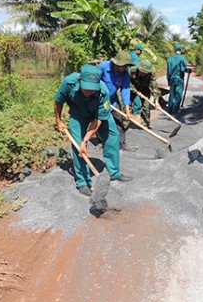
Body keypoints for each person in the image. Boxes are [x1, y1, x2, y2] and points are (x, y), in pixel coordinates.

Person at [54, 64, 133, 197]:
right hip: (78, 115)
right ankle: (83, 182)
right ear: (80, 81)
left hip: (98, 115)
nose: (89, 92)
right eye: (87, 89)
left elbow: (98, 120)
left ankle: (114, 172)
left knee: (113, 137)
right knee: (78, 146)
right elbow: (58, 101)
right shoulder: (69, 82)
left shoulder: (103, 92)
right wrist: (58, 121)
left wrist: (87, 139)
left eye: (92, 89)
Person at [99, 51, 138, 151]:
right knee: (101, 121)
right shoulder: (103, 67)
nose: (126, 68)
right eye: (125, 65)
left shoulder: (125, 74)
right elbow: (94, 81)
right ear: (118, 64)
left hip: (113, 101)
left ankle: (121, 143)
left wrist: (128, 112)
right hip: (100, 100)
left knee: (119, 121)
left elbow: (125, 91)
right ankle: (102, 142)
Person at [129, 59, 161, 128]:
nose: (143, 74)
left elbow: (154, 87)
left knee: (146, 107)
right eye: (142, 72)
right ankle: (124, 123)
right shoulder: (132, 71)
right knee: (127, 105)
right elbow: (127, 83)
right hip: (132, 88)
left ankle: (145, 124)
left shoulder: (151, 74)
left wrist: (156, 101)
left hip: (144, 88)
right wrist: (136, 91)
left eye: (145, 73)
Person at [166, 44, 191, 115]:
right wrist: (188, 70)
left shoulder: (170, 59)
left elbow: (168, 72)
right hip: (179, 79)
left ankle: (170, 109)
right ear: (181, 50)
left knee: (172, 94)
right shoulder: (182, 58)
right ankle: (175, 111)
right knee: (178, 95)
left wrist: (168, 80)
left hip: (171, 79)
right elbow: (183, 69)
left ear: (174, 50)